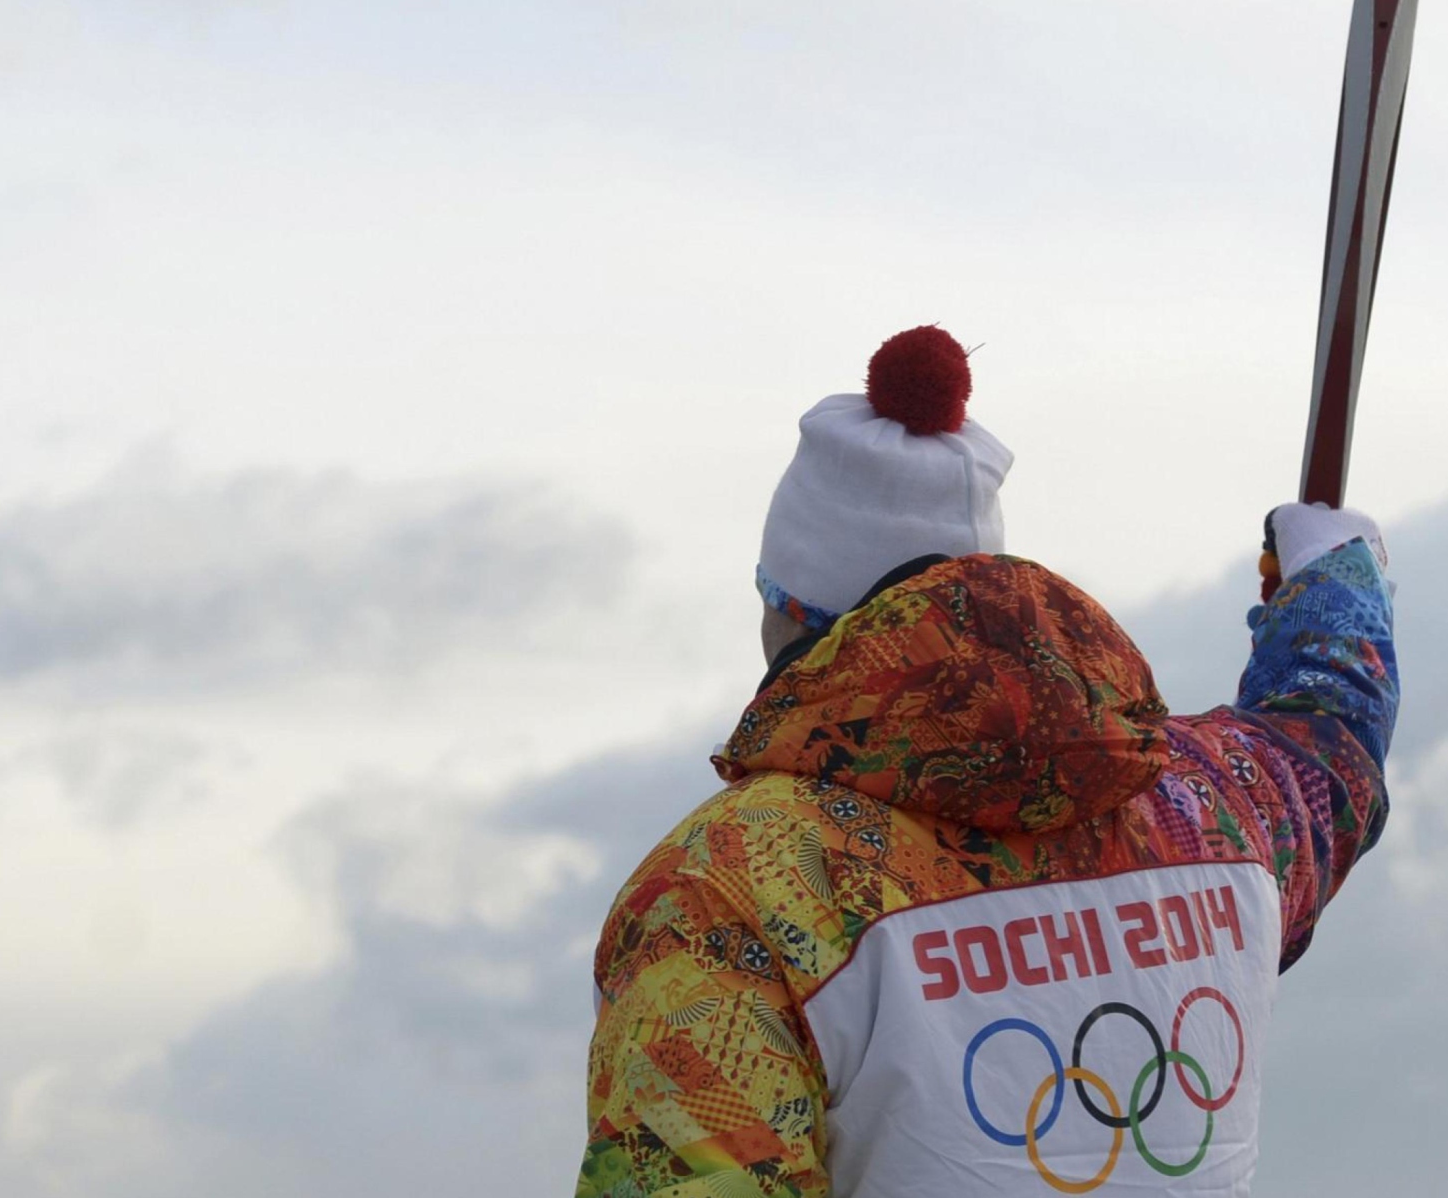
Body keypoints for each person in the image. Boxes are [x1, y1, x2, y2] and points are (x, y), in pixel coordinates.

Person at [576, 325, 1397, 1197]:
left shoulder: (731, 890)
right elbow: (1326, 742)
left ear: (795, 615)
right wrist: (1335, 575)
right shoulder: (1208, 810)